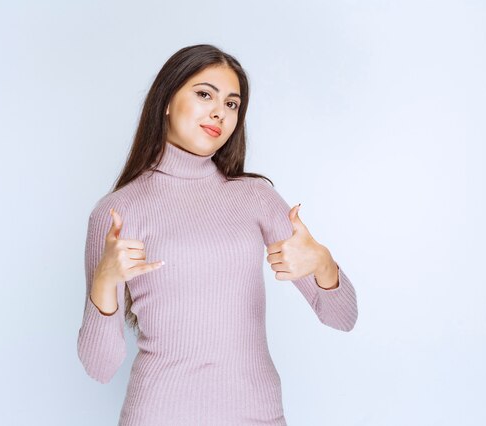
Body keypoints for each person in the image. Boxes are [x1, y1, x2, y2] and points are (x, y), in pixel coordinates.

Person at [76, 44, 358, 426]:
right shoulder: (117, 212)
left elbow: (342, 317)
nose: (218, 112)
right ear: (167, 101)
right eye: (204, 94)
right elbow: (100, 367)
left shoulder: (256, 196)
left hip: (257, 414)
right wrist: (105, 283)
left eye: (231, 104)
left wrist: (323, 262)